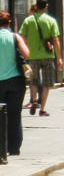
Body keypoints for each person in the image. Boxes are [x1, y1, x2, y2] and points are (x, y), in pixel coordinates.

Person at [19, 0, 62, 116]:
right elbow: (56, 40)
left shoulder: (28, 21)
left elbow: (22, 38)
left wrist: (28, 46)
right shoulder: (51, 21)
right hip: (48, 55)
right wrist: (59, 58)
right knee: (47, 83)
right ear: (46, 6)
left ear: (36, 7)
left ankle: (33, 101)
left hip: (32, 55)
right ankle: (42, 109)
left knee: (33, 80)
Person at [0, 11, 29, 155]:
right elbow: (27, 54)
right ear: (9, 22)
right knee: (15, 114)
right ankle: (14, 147)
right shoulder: (14, 37)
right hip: (16, 81)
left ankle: (1, 147)